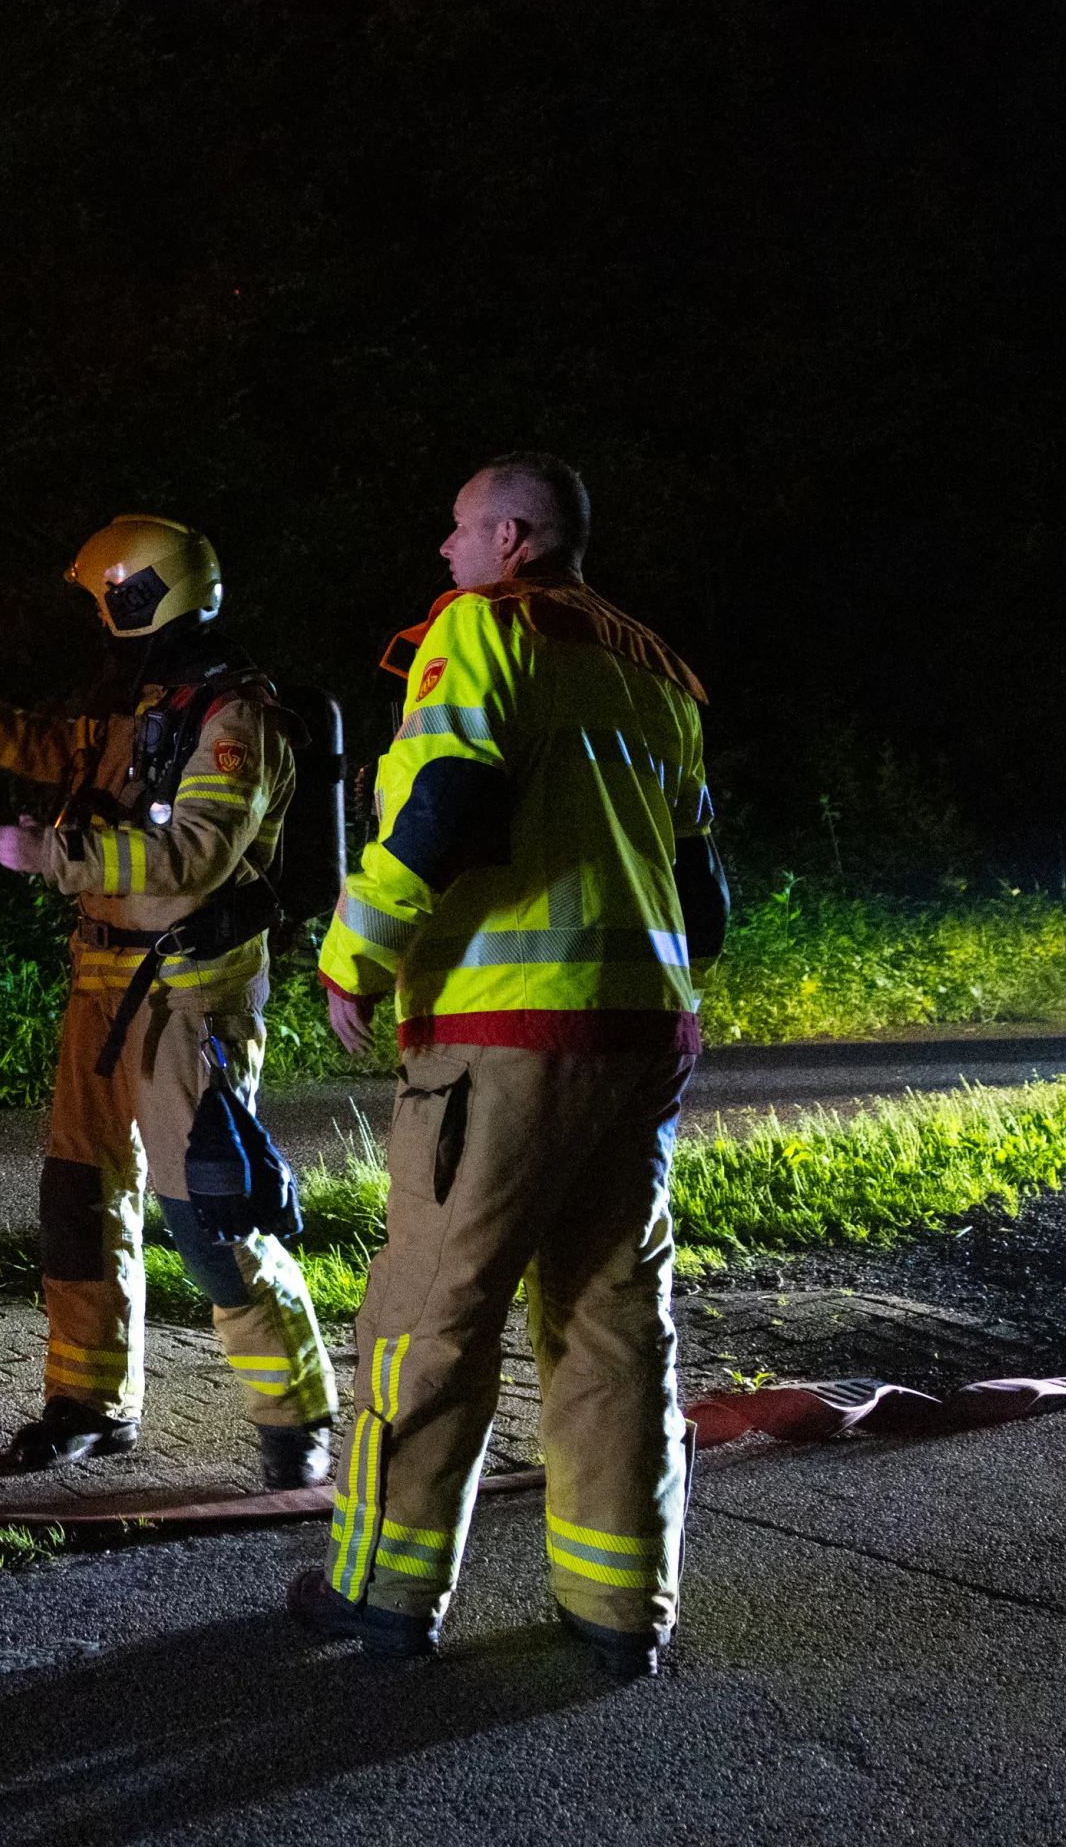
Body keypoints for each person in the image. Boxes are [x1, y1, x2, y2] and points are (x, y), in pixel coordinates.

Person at [291, 452, 727, 1677]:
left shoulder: (484, 629)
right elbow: (705, 896)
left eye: (460, 527)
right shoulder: (661, 673)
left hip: (503, 1038)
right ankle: (618, 1606)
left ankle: (381, 1588)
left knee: (430, 1313)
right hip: (643, 1039)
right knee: (613, 1321)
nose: (444, 549)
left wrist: (354, 952)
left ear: (514, 540)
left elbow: (445, 798)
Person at [0, 515, 339, 1486]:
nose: (100, 620)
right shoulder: (139, 701)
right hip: (101, 978)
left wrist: (49, 852)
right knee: (79, 1201)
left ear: (142, 596)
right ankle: (89, 1399)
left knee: (210, 1211)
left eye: (107, 601)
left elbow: (193, 856)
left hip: (190, 995)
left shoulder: (237, 717)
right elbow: (52, 747)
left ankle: (295, 1413)